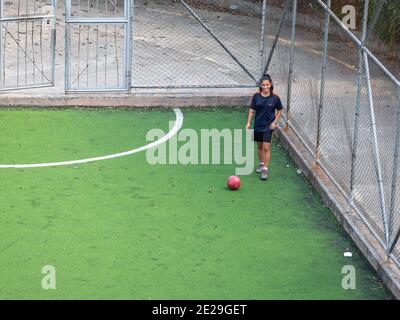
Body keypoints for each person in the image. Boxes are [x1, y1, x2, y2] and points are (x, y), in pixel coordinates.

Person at [245, 74, 283, 180]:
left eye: (267, 85)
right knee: (260, 147)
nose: (265, 87)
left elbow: (280, 110)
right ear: (261, 86)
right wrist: (248, 122)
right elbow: (252, 110)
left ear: (270, 85)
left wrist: (275, 122)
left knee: (266, 148)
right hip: (257, 125)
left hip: (268, 127)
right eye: (263, 85)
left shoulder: (275, 98)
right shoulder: (256, 96)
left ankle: (265, 169)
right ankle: (261, 164)